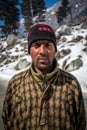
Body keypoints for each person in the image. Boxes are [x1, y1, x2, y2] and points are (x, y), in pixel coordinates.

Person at [2, 23, 86, 130]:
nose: (42, 51)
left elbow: (81, 123)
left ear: (55, 49)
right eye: (36, 45)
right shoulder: (15, 83)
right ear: (29, 50)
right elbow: (7, 119)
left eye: (48, 45)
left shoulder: (71, 83)